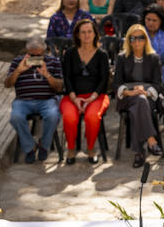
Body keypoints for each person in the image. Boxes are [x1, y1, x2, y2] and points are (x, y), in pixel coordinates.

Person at [6, 35, 64, 163]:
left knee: (53, 115)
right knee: (15, 117)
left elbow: (60, 87)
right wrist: (18, 71)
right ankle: (30, 147)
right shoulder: (18, 61)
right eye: (33, 56)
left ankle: (44, 145)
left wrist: (47, 75)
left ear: (44, 51)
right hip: (23, 100)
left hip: (47, 99)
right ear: (27, 52)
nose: (36, 59)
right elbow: (7, 84)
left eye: (39, 55)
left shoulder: (53, 62)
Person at [60, 18, 109, 164]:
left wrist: (91, 98)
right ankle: (71, 149)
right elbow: (67, 78)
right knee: (70, 116)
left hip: (97, 96)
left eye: (89, 32)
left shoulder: (102, 55)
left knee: (92, 117)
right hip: (73, 96)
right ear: (77, 35)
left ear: (95, 34)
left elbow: (104, 80)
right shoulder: (69, 54)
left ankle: (91, 148)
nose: (87, 35)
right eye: (83, 32)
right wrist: (74, 98)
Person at [115, 23, 164, 166]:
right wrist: (130, 92)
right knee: (138, 102)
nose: (137, 41)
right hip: (127, 97)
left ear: (146, 40)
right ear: (128, 41)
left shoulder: (153, 58)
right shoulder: (122, 58)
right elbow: (116, 84)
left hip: (148, 98)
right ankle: (151, 140)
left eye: (140, 38)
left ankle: (139, 153)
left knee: (140, 103)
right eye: (133, 38)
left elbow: (158, 84)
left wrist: (145, 92)